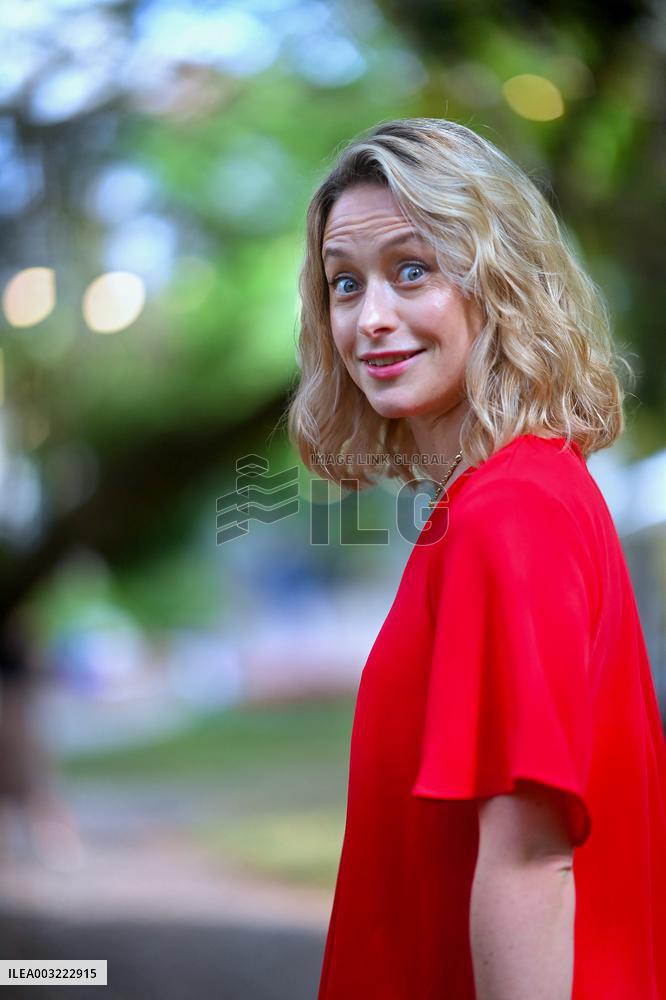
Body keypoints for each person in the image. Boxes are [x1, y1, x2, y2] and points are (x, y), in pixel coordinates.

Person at [286, 118, 666, 999]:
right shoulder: (510, 497)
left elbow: (532, 862)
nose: (371, 318)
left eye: (412, 270)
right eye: (346, 284)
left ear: (500, 283)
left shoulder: (511, 511)